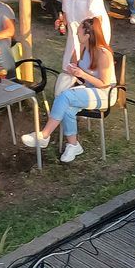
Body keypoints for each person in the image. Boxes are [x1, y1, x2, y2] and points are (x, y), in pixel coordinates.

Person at [20, 17, 115, 163]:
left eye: (79, 33)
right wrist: (74, 68)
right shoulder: (83, 48)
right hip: (89, 89)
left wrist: (82, 74)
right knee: (67, 108)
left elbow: (104, 83)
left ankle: (44, 135)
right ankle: (73, 145)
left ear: (88, 36)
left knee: (65, 96)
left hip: (105, 94)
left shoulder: (103, 54)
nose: (76, 35)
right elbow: (74, 66)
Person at [55, 0, 111, 97]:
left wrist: (88, 41)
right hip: (75, 33)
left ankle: (95, 94)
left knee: (90, 66)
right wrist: (61, 22)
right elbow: (66, 14)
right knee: (70, 65)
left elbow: (97, 19)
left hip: (92, 33)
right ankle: (67, 95)